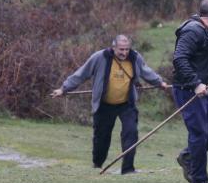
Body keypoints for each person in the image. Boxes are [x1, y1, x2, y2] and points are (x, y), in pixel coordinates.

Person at [51, 34, 169, 174]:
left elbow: (146, 71)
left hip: (126, 103)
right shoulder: (99, 57)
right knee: (102, 137)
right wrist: (64, 89)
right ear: (113, 48)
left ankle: (128, 169)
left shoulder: (135, 57)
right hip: (104, 104)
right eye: (121, 49)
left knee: (131, 133)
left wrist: (159, 82)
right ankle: (97, 165)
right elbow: (81, 74)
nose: (124, 53)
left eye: (126, 49)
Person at [171, 0, 208, 183]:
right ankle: (199, 179)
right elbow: (179, 58)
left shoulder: (207, 30)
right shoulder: (193, 31)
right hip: (189, 90)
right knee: (199, 132)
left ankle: (188, 157)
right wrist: (196, 83)